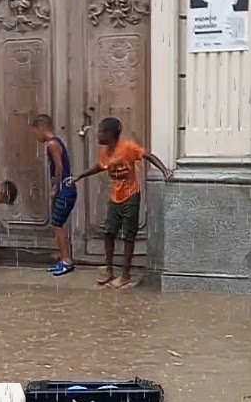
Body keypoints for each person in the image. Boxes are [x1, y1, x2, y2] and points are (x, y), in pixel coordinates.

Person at [66, 117, 173, 289]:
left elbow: (147, 155)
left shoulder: (128, 147)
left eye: (101, 132)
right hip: (115, 196)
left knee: (128, 236)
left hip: (131, 195)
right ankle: (109, 270)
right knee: (109, 232)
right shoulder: (106, 152)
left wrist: (164, 170)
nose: (98, 135)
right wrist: (80, 176)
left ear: (110, 134)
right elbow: (100, 166)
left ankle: (125, 275)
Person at [31, 114, 77, 276]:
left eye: (35, 132)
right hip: (66, 188)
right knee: (59, 224)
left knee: (57, 225)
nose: (35, 136)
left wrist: (55, 187)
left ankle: (66, 260)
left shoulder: (52, 144)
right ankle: (64, 256)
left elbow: (58, 167)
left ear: (41, 128)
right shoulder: (56, 142)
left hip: (65, 189)